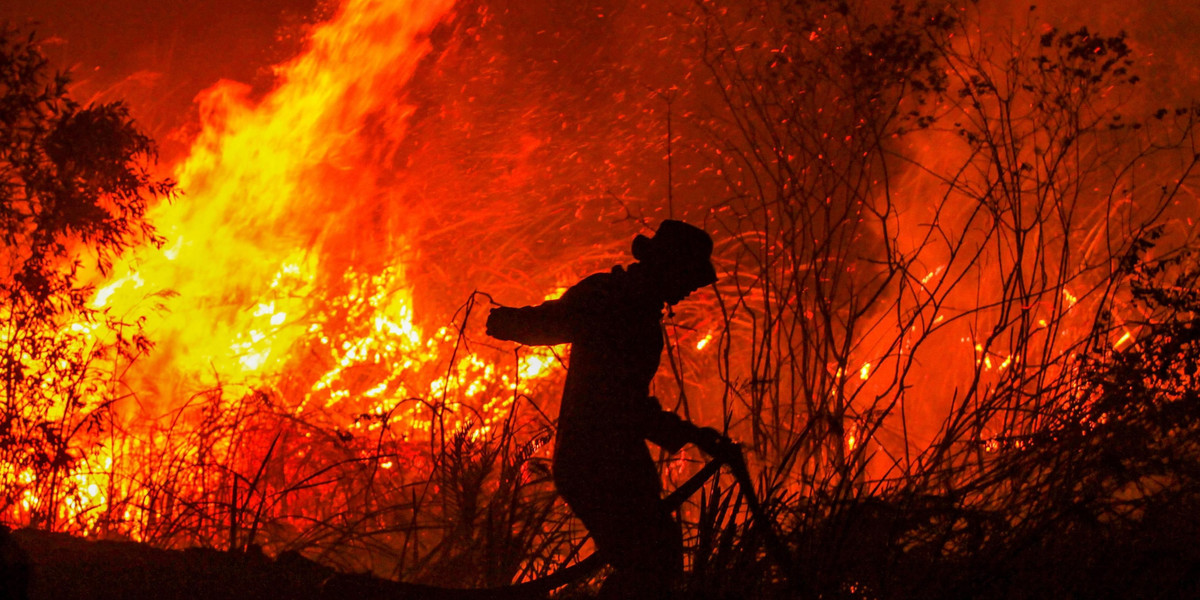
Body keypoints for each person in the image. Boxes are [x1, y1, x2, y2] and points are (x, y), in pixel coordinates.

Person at [486, 220, 730, 599]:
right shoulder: (614, 301)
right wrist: (511, 322)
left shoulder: (631, 305)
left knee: (654, 562)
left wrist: (691, 435)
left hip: (612, 457)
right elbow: (616, 397)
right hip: (597, 461)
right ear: (668, 267)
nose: (689, 290)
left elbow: (625, 398)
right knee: (652, 564)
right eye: (688, 278)